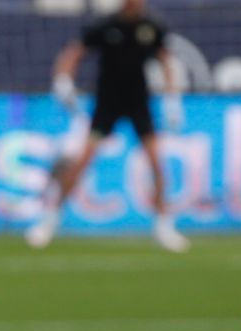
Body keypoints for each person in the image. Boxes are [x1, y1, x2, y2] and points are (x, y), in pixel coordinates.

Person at [27, 0, 190, 254]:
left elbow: (165, 61)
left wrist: (172, 99)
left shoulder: (152, 26)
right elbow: (73, 53)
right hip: (108, 104)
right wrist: (63, 81)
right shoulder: (105, 26)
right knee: (83, 160)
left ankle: (163, 224)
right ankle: (50, 219)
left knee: (156, 162)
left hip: (139, 103)